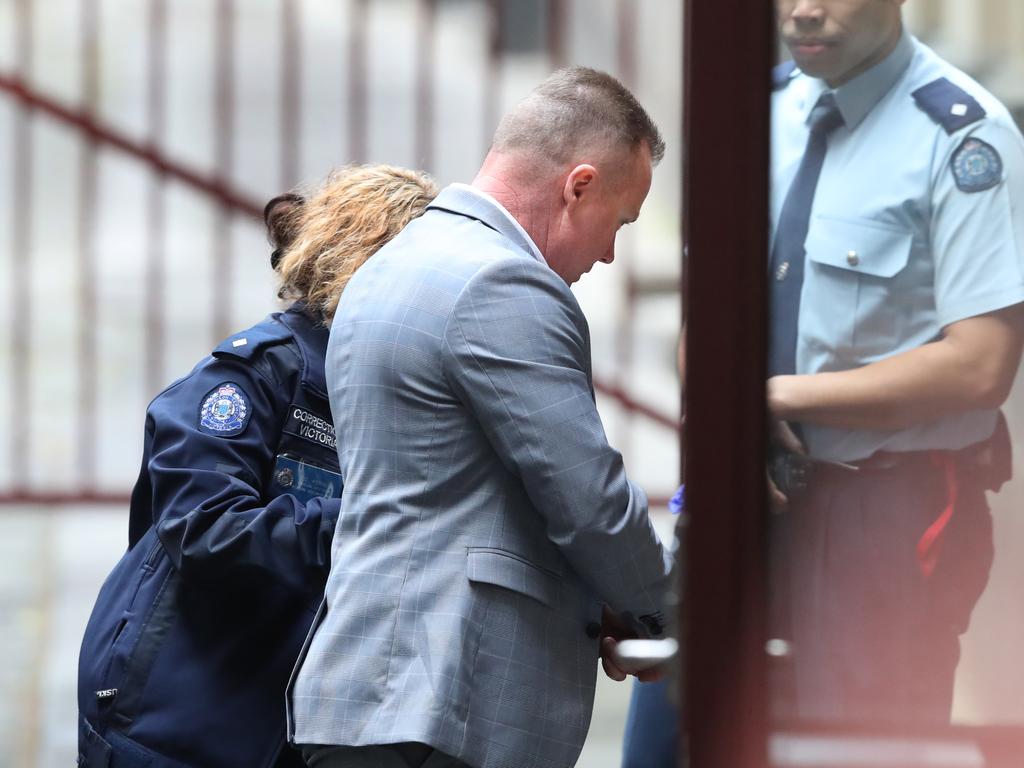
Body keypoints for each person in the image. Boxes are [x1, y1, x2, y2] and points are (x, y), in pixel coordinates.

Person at [288, 66, 675, 768]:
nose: (611, 252)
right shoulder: (503, 283)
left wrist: (606, 602)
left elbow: (470, 494)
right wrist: (668, 611)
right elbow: (587, 502)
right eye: (618, 222)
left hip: (364, 701)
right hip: (443, 707)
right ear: (577, 185)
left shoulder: (390, 266)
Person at [77, 165, 438, 768]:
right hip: (178, 723)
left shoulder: (395, 393)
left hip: (285, 726)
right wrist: (370, 519)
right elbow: (205, 526)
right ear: (370, 268)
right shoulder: (256, 376)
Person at [769, 0, 1024, 722]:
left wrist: (774, 400)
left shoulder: (964, 136)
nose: (805, 11)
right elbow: (709, 302)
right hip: (752, 487)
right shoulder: (763, 111)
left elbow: (981, 366)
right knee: (691, 734)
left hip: (880, 505)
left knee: (864, 737)